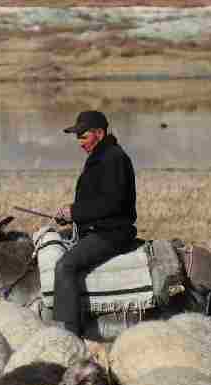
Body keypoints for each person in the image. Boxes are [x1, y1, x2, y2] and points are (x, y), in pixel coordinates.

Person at [52, 110, 138, 337]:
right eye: (77, 136)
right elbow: (96, 202)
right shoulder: (102, 156)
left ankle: (66, 333)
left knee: (65, 266)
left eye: (83, 135)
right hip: (98, 228)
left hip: (112, 233)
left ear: (99, 133)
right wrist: (71, 215)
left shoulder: (113, 158)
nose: (79, 142)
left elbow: (113, 203)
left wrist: (75, 212)